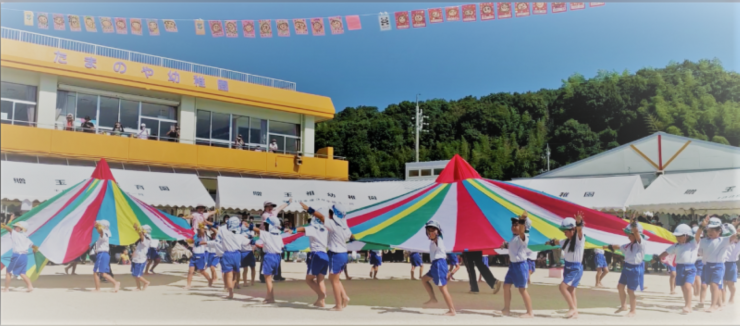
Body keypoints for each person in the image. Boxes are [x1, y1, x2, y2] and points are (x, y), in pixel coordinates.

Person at [307, 202, 352, 311]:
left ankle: (338, 305)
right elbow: (350, 236)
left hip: (335, 254)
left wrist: (309, 209)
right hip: (343, 254)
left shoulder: (333, 224)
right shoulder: (345, 226)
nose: (329, 215)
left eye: (331, 213)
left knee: (334, 280)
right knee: (335, 278)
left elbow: (321, 217)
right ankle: (344, 297)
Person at [604, 213, 645, 317]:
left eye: (630, 235)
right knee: (620, 286)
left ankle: (633, 310)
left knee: (631, 290)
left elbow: (636, 232)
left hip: (635, 269)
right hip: (626, 267)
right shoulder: (628, 245)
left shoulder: (641, 244)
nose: (628, 237)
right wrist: (608, 247)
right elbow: (618, 247)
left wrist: (633, 223)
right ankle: (623, 305)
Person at [547, 211, 586, 319]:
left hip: (575, 268)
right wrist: (548, 242)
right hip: (568, 267)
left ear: (572, 230)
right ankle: (575, 312)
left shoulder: (579, 240)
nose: (565, 233)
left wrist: (579, 223)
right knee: (571, 290)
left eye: (566, 231)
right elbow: (556, 242)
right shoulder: (565, 242)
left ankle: (572, 308)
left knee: (562, 287)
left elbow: (580, 232)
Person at [696, 216, 738, 312]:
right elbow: (697, 237)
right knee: (714, 285)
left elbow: (734, 237)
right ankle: (719, 304)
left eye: (713, 230)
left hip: (718, 266)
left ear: (719, 230)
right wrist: (701, 226)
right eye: (708, 230)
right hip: (707, 265)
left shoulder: (723, 240)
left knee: (714, 285)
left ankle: (713, 305)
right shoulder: (704, 241)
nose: (709, 232)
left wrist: (736, 230)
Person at [255, 199, 292, 303]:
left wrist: (288, 203)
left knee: (268, 276)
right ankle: (268, 296)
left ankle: (270, 297)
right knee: (268, 275)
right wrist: (280, 229)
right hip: (271, 240)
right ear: (265, 207)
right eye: (268, 206)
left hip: (268, 239)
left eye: (271, 206)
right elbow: (271, 225)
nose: (270, 208)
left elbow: (280, 207)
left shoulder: (271, 214)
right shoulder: (265, 215)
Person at [499, 211, 534, 318]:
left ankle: (530, 312)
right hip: (513, 266)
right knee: (506, 286)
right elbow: (513, 246)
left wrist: (523, 220)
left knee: (522, 289)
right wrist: (506, 244)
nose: (514, 227)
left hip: (520, 266)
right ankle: (506, 308)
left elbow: (522, 233)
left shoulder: (523, 237)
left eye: (517, 225)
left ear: (524, 226)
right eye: (513, 225)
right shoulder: (514, 237)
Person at [658, 223, 699, 314]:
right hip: (679, 267)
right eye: (676, 236)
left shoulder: (693, 243)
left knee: (688, 286)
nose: (677, 238)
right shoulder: (676, 246)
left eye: (679, 236)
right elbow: (666, 251)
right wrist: (659, 257)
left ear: (686, 236)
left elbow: (698, 234)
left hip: (690, 268)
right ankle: (686, 304)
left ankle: (689, 306)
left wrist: (702, 226)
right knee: (684, 288)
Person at [297, 202, 330, 307]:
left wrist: (291, 230)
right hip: (325, 254)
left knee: (309, 279)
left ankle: (321, 296)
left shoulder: (314, 227)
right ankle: (321, 302)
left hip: (316, 254)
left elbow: (302, 229)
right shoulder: (327, 228)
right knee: (321, 280)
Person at [420, 220, 456, 316]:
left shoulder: (438, 239)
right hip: (435, 265)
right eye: (429, 230)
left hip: (439, 264)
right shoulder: (432, 242)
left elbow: (437, 237)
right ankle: (433, 298)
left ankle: (452, 310)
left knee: (443, 289)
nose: (431, 232)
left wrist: (435, 234)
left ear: (438, 231)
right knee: (424, 279)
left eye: (433, 230)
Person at [217, 216, 249, 299]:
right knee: (235, 273)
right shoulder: (240, 235)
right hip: (237, 254)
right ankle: (232, 289)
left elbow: (215, 227)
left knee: (228, 274)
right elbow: (247, 242)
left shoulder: (224, 232)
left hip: (227, 254)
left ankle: (230, 292)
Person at [1, 221, 37, 293]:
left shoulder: (17, 235)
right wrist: (34, 249)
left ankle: (6, 288)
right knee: (22, 273)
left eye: (17, 227)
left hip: (17, 255)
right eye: (15, 227)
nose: (15, 228)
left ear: (22, 229)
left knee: (8, 272)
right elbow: (33, 246)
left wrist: (4, 226)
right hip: (24, 257)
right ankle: (30, 286)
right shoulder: (26, 237)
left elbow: (10, 230)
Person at [92, 220, 120, 292]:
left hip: (102, 254)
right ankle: (115, 283)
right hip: (104, 254)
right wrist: (97, 226)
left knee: (96, 272)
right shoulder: (106, 233)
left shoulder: (103, 233)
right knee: (103, 273)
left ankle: (99, 288)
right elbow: (100, 230)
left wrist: (97, 225)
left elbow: (100, 230)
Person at [185, 226, 213, 290]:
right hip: (194, 255)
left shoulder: (204, 236)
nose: (199, 230)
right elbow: (191, 241)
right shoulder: (195, 236)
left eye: (200, 230)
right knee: (190, 271)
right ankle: (188, 285)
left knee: (201, 271)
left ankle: (209, 279)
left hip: (200, 256)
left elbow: (202, 234)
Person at [723, 220, 740, 305]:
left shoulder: (738, 243)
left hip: (731, 264)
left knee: (730, 283)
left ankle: (732, 297)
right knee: (722, 283)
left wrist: (736, 230)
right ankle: (723, 299)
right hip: (721, 262)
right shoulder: (724, 240)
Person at [131, 224, 152, 291]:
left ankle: (146, 282)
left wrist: (138, 229)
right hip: (136, 259)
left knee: (138, 275)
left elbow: (141, 235)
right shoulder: (141, 239)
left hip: (140, 260)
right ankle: (138, 287)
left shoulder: (147, 239)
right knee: (134, 274)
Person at [239, 219, 257, 288]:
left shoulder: (250, 233)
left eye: (246, 223)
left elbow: (254, 243)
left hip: (249, 252)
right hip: (243, 252)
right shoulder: (240, 233)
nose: (245, 224)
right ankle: (245, 282)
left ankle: (252, 281)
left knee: (252, 267)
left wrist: (253, 250)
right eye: (243, 223)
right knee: (245, 269)